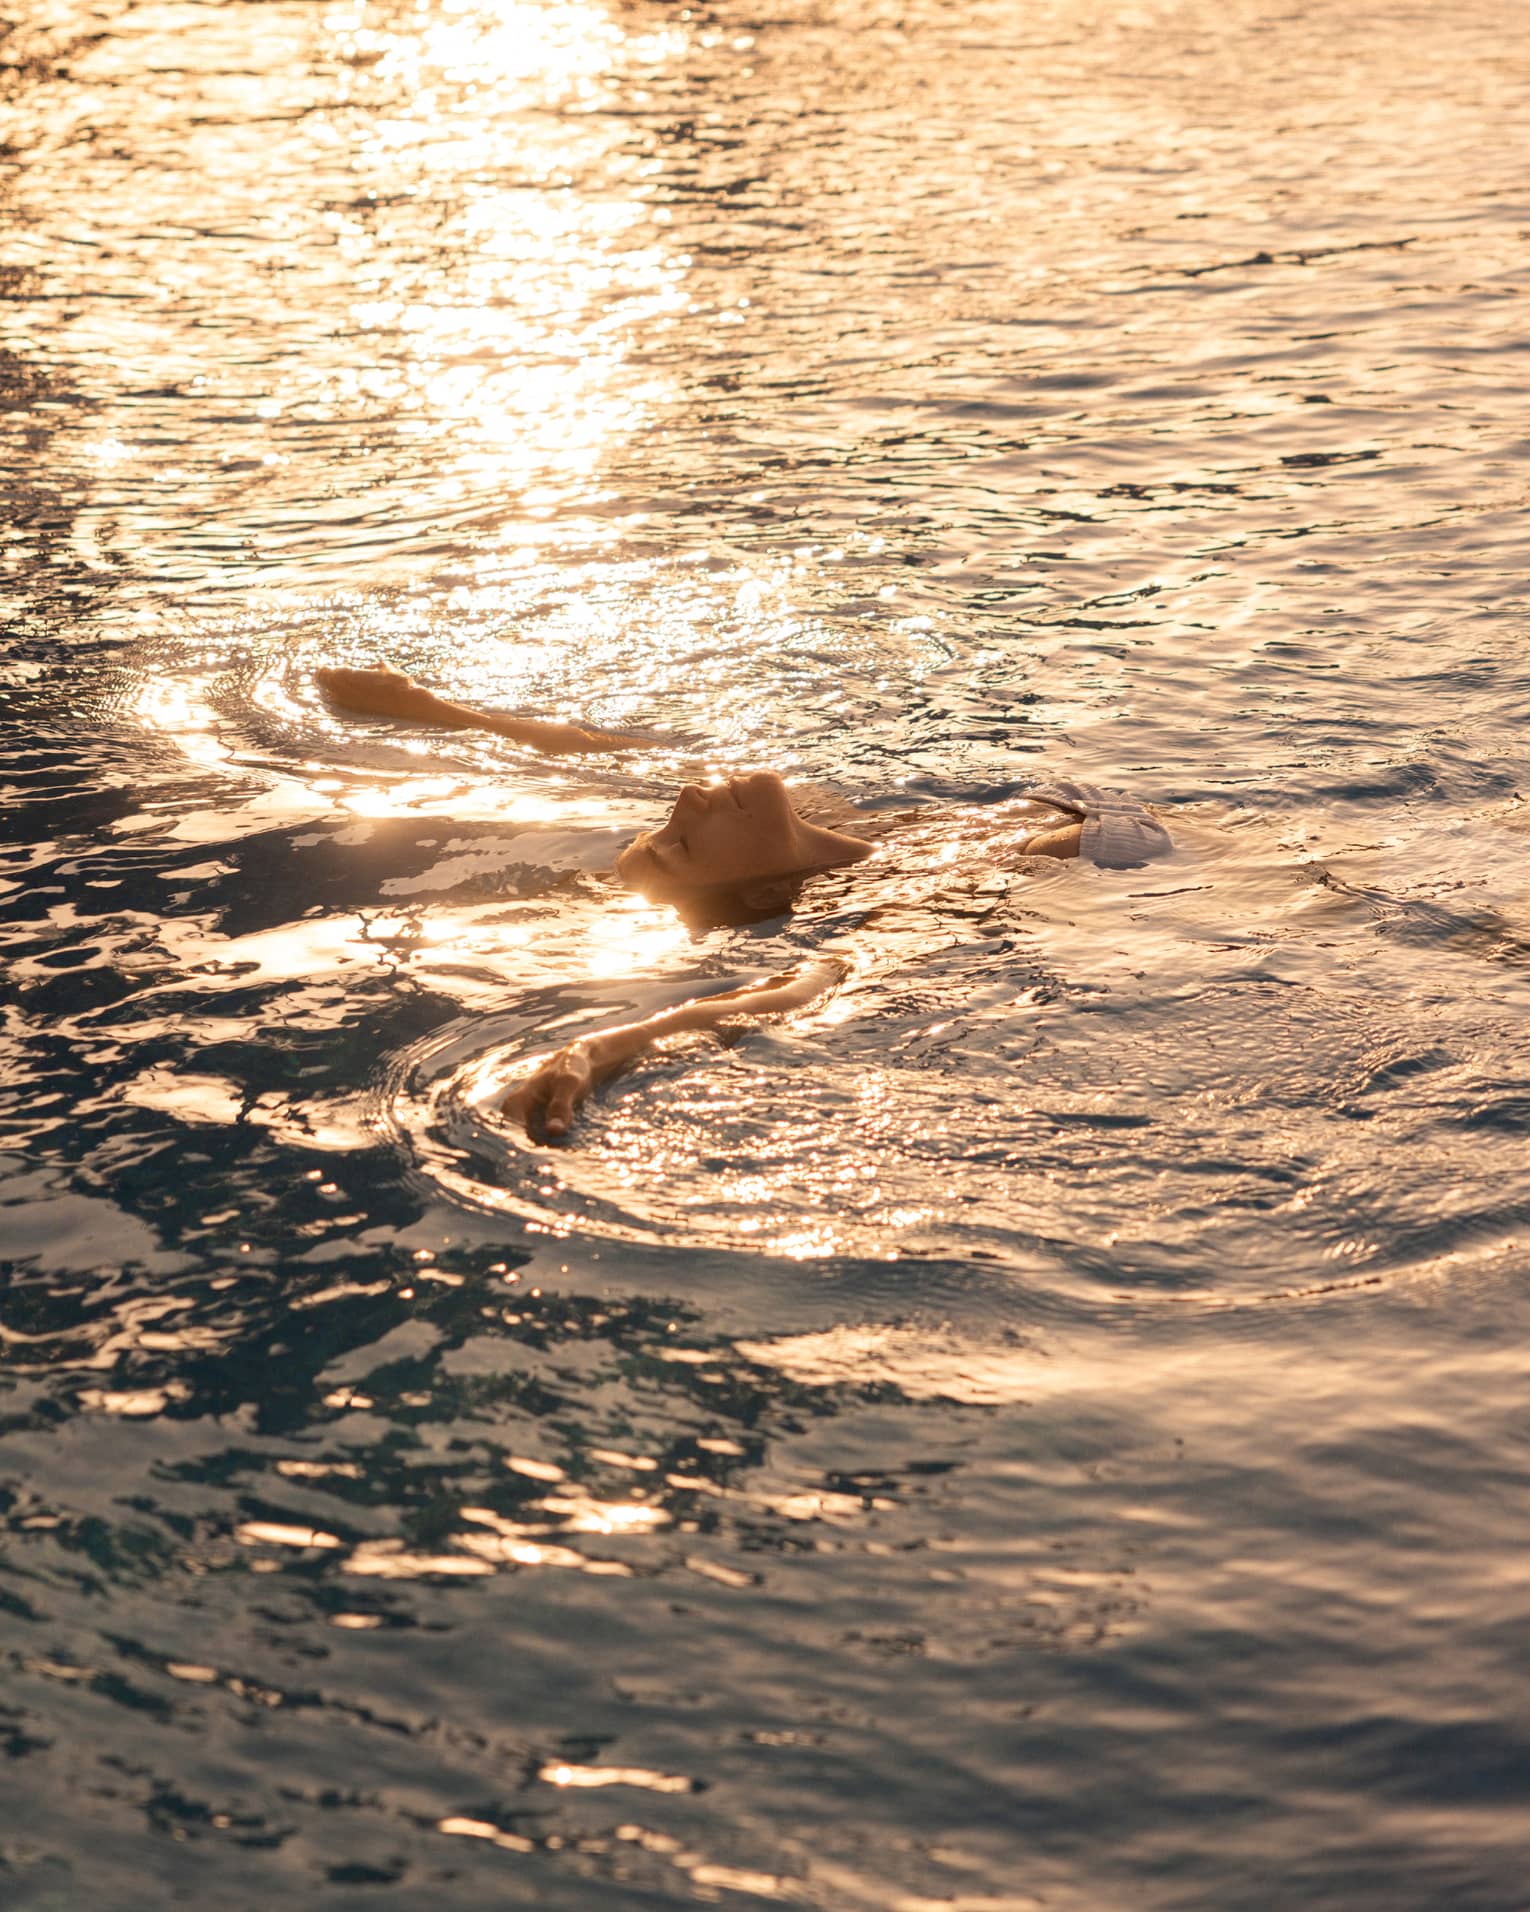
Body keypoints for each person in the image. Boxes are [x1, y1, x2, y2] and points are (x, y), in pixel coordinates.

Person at [319, 664, 1173, 1138]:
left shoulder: (841, 820)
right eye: (678, 845)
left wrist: (440, 711)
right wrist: (608, 1043)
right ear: (763, 890)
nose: (687, 803)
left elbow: (597, 752)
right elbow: (806, 988)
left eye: (665, 826)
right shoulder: (913, 893)